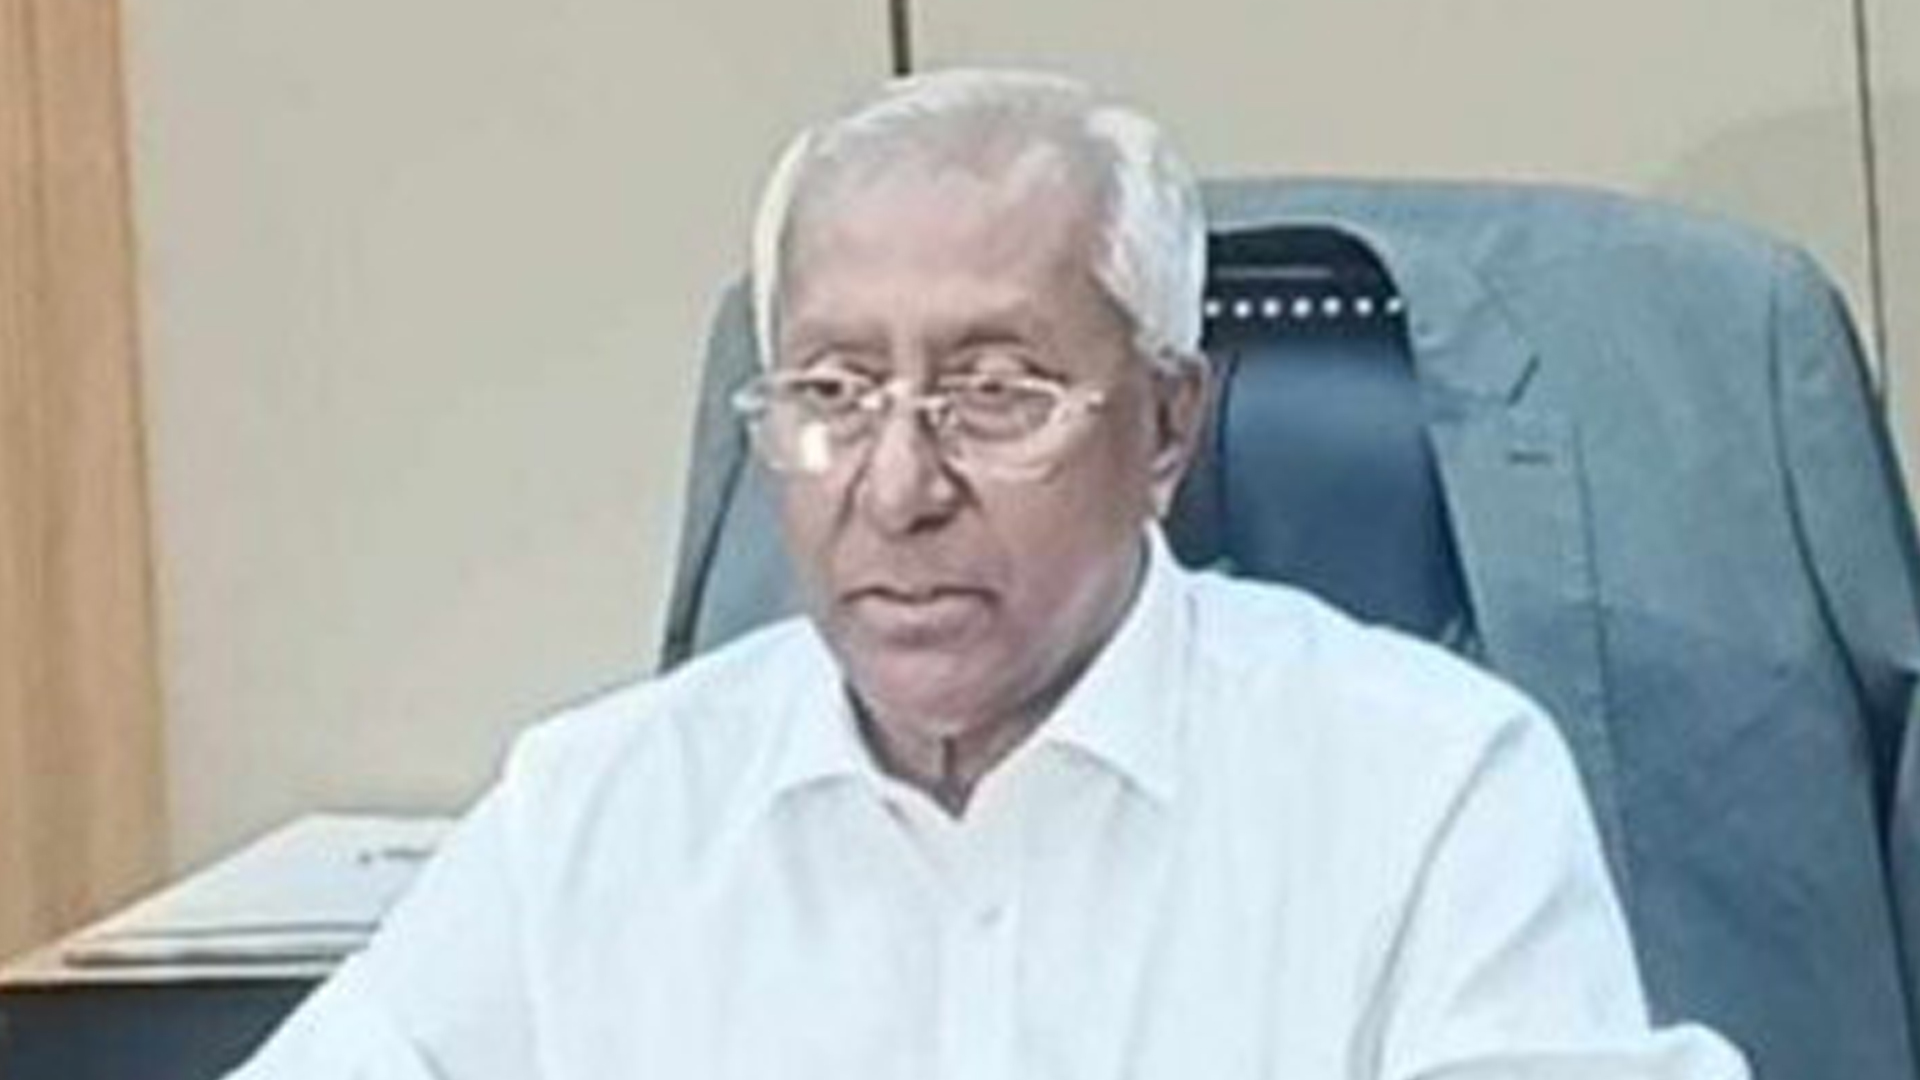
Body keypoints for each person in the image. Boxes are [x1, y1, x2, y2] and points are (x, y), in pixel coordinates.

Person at [231, 69, 1747, 1079]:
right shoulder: (599, 812)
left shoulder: (1427, 787)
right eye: (833, 394)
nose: (898, 489)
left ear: (1168, 425)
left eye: (996, 394)